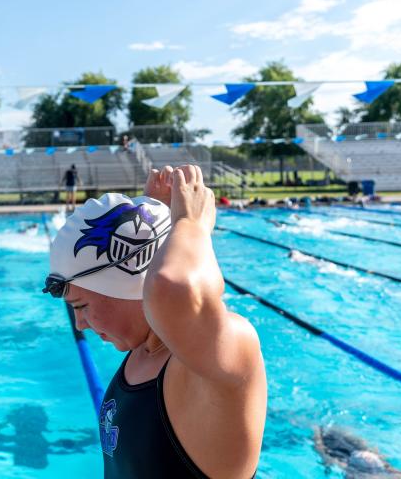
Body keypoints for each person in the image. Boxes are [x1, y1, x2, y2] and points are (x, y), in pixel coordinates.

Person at [43, 165, 266, 478]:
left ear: (130, 286)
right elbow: (151, 284)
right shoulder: (147, 348)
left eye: (81, 305)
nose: (80, 324)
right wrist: (151, 218)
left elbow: (172, 289)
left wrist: (190, 225)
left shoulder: (225, 351)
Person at [313, 425, 401, 478]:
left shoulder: (384, 468)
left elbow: (322, 453)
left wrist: (316, 436)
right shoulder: (384, 469)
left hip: (343, 449)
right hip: (340, 447)